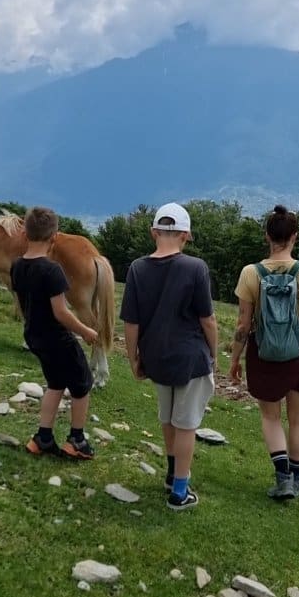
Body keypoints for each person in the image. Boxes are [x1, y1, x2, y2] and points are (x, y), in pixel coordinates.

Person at [120, 203, 218, 510]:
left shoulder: (137, 268)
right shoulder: (196, 268)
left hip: (155, 357)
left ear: (154, 233)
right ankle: (179, 491)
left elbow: (131, 322)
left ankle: (171, 471)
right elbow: (208, 320)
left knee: (167, 418)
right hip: (190, 358)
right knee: (186, 424)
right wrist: (213, 353)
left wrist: (134, 357)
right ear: (186, 235)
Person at [230, 205, 299, 499]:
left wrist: (235, 359)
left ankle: (282, 478)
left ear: (267, 236)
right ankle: (296, 480)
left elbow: (243, 324)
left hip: (264, 354)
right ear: (294, 237)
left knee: (271, 417)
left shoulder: (251, 273)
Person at [10, 206, 98, 460]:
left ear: (25, 234)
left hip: (34, 335)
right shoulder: (52, 270)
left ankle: (43, 437)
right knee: (82, 384)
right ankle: (77, 440)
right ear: (54, 237)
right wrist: (85, 331)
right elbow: (61, 312)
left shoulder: (17, 267)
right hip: (57, 337)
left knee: (55, 383)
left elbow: (23, 302)